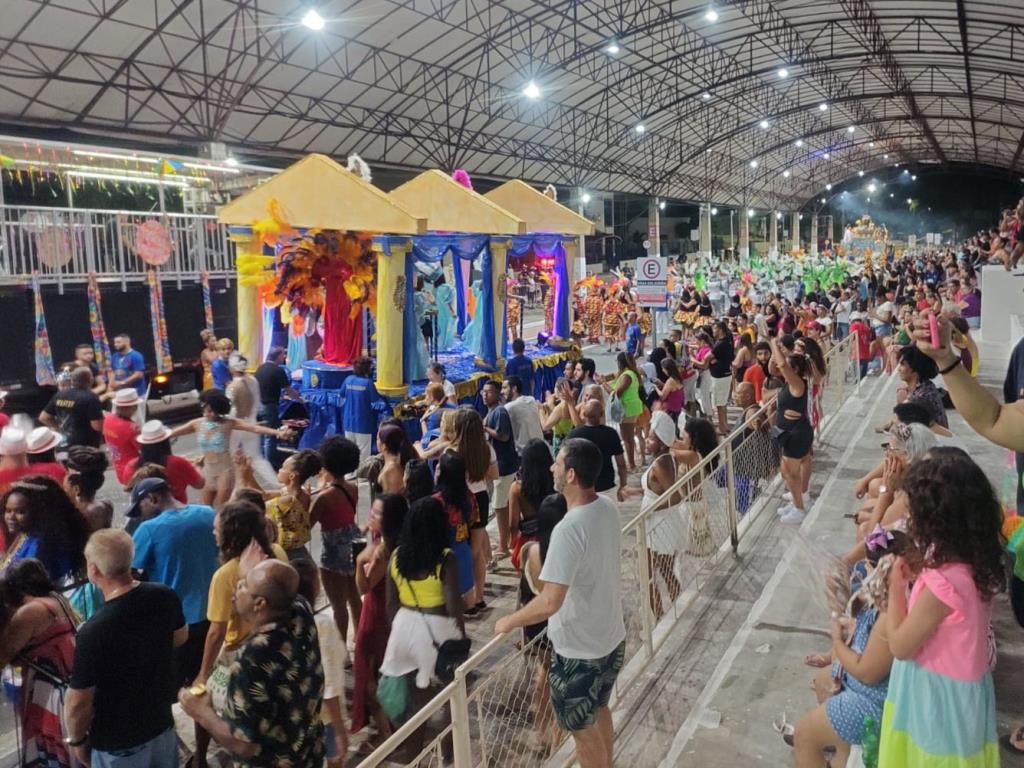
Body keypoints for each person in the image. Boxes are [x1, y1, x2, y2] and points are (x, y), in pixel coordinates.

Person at [495, 439, 626, 768]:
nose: (551, 467)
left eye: (557, 463)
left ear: (570, 475)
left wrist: (510, 622)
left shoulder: (569, 529)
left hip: (580, 651)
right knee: (599, 709)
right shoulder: (607, 508)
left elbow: (550, 601)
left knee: (581, 730)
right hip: (609, 638)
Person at [879, 449, 1004, 767]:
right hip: (964, 702)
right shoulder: (977, 561)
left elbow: (900, 646)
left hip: (935, 708)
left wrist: (896, 588)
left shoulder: (942, 586)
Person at [178, 559, 325, 766]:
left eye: (245, 584)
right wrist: (256, 575)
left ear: (260, 604)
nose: (237, 585)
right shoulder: (300, 610)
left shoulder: (253, 658)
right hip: (307, 753)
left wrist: (201, 712)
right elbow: (281, 585)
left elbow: (243, 744)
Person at [65, 530, 186, 768]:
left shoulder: (92, 632)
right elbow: (180, 638)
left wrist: (77, 741)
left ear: (93, 569)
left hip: (118, 746)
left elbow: (78, 702)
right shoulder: (164, 595)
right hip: (162, 726)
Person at [192, 501, 288, 768]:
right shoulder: (277, 553)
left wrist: (203, 673)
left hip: (237, 650)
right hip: (277, 641)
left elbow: (216, 631)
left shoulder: (224, 575)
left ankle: (200, 758)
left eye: (217, 529)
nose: (214, 533)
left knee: (207, 703)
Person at [380, 497, 465, 754]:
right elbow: (453, 608)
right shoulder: (445, 559)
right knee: (450, 695)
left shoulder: (396, 556)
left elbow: (390, 605)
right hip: (437, 632)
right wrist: (459, 642)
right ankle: (451, 751)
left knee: (417, 708)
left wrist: (401, 633)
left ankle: (413, 757)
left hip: (405, 630)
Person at [127, 476, 218, 692]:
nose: (140, 515)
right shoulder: (207, 513)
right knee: (204, 683)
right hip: (212, 613)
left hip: (176, 621)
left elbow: (129, 572)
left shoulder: (149, 529)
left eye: (140, 507)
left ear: (152, 498)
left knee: (172, 687)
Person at [0, 558, 78, 768]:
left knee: (51, 743)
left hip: (48, 689)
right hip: (66, 676)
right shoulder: (56, 598)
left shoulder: (31, 611)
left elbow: (4, 654)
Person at [170, 389, 286, 508]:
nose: (210, 414)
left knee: (221, 507)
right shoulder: (196, 423)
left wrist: (278, 432)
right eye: (207, 410)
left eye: (214, 411)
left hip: (225, 471)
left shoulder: (228, 423)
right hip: (208, 471)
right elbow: (172, 433)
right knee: (206, 508)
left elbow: (254, 428)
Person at [352, 493, 408, 738]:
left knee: (367, 673)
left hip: (375, 615)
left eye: (376, 514)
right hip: (395, 614)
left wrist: (358, 561)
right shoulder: (402, 542)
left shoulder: (382, 551)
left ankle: (387, 730)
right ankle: (395, 721)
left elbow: (364, 587)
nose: (370, 516)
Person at [516, 493, 568, 754]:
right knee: (561, 677)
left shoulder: (529, 551)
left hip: (536, 623)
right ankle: (559, 735)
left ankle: (540, 727)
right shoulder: (567, 552)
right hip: (561, 619)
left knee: (543, 672)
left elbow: (523, 591)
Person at [292, 558, 350, 766]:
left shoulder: (285, 627)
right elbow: (329, 686)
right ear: (316, 587)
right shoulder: (321, 626)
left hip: (297, 720)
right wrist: (340, 728)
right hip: (324, 720)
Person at [311, 435, 363, 642]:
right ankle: (360, 640)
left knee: (338, 606)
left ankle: (342, 653)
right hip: (354, 542)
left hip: (333, 551)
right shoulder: (353, 488)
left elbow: (307, 523)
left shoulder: (323, 497)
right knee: (355, 598)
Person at [451, 407, 497, 614]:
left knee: (460, 549)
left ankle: (465, 596)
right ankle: (479, 597)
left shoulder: (452, 451)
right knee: (476, 551)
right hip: (480, 498)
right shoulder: (486, 449)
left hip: (459, 500)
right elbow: (494, 474)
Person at [1, 476, 88, 582]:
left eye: (20, 512)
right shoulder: (28, 535)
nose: (10, 517)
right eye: (8, 510)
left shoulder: (44, 546)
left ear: (39, 511)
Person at [769, 335, 815, 524]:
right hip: (791, 432)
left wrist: (773, 343)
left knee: (791, 473)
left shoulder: (798, 384)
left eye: (788, 367)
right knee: (787, 470)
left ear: (794, 370)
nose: (783, 370)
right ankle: (796, 502)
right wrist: (774, 349)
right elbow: (774, 367)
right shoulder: (790, 384)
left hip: (796, 434)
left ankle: (799, 508)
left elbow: (782, 366)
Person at [259, 449, 322, 560]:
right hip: (300, 552)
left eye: (283, 468)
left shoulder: (287, 500)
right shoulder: (301, 494)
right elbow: (265, 494)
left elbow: (259, 501)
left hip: (287, 555)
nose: (279, 470)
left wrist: (244, 474)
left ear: (292, 476)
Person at [433, 451, 478, 604]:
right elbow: (472, 521)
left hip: (441, 555)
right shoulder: (470, 497)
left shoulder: (437, 501)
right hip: (463, 550)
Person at [226, 352, 277, 484]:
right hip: (251, 422)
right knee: (257, 458)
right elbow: (257, 402)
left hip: (236, 426)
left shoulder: (233, 386)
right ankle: (277, 484)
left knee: (230, 458)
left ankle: (237, 487)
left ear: (232, 368)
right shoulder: (253, 381)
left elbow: (230, 410)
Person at [482, 380, 519, 558]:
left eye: (489, 392)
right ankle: (508, 540)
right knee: (501, 503)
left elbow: (503, 436)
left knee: (499, 505)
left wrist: (485, 428)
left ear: (497, 394)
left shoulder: (500, 412)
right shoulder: (492, 411)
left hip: (504, 466)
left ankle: (504, 545)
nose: (485, 394)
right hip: (499, 466)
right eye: (483, 391)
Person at [125, 419, 204, 503]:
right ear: (165, 442)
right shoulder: (177, 462)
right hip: (177, 511)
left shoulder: (130, 466)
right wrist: (196, 466)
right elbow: (199, 484)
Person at [568, 399, 628, 501]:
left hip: (583, 487)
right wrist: (623, 486)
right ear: (601, 414)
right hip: (607, 485)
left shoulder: (574, 435)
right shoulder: (610, 433)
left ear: (584, 414)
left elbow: (568, 464)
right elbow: (621, 464)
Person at [508, 438, 555, 571]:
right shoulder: (555, 481)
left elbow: (513, 524)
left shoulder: (517, 488)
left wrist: (512, 540)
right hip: (553, 534)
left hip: (529, 540)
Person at [254, 347, 302, 470]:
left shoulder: (260, 368)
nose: (284, 358)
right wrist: (301, 399)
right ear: (278, 356)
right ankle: (269, 464)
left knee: (261, 434)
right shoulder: (278, 371)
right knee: (270, 436)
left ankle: (260, 460)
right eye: (283, 355)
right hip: (269, 406)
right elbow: (289, 390)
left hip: (257, 405)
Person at [39, 366, 104, 448]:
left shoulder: (59, 395)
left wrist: (59, 427)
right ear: (91, 380)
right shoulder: (91, 397)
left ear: (72, 381)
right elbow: (97, 426)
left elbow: (43, 417)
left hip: (63, 443)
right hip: (85, 447)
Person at [339, 356, 387, 461]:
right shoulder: (368, 383)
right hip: (363, 424)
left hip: (348, 423)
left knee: (349, 453)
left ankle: (348, 475)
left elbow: (341, 394)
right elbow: (375, 400)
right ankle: (361, 476)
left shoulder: (348, 380)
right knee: (363, 455)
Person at [895, 345, 948, 428]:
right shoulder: (924, 385)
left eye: (902, 365)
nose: (899, 369)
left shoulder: (923, 397)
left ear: (915, 369)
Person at [607, 351, 644, 470]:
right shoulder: (630, 373)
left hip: (627, 408)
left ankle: (631, 464)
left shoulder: (627, 375)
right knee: (629, 437)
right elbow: (614, 376)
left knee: (627, 438)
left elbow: (616, 393)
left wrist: (603, 384)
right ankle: (632, 462)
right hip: (632, 407)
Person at [63, 446, 113, 527]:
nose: (64, 478)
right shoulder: (106, 506)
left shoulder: (73, 517)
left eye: (67, 474)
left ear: (76, 489)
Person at [103, 388, 141, 484]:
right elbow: (143, 448)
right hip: (135, 470)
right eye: (135, 406)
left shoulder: (108, 419)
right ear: (129, 408)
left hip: (119, 469)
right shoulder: (132, 428)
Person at [503, 375, 545, 452]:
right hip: (541, 446)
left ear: (514, 389)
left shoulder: (508, 407)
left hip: (523, 452)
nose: (502, 392)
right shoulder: (532, 400)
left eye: (505, 388)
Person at [707, 321, 735, 435]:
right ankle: (725, 425)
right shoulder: (727, 341)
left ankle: (722, 428)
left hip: (720, 377)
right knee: (722, 403)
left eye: (714, 329)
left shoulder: (721, 343)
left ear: (720, 329)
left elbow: (707, 358)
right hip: (724, 375)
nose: (713, 331)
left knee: (719, 404)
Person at [434, 275, 457, 352]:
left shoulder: (436, 288)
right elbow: (449, 301)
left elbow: (434, 301)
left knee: (439, 327)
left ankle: (439, 344)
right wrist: (452, 310)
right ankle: (445, 344)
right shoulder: (448, 287)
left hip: (438, 309)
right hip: (446, 310)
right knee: (447, 326)